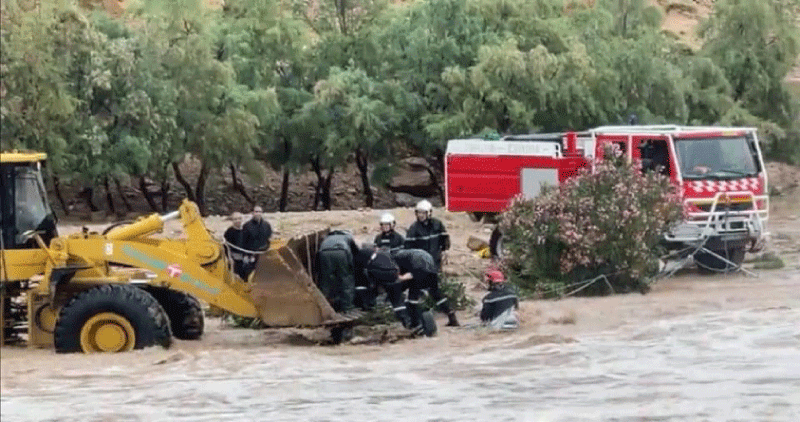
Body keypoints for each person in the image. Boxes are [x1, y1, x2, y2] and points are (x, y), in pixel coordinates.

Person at [392, 248, 460, 331]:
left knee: (412, 298)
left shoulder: (395, 258)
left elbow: (402, 276)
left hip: (418, 268)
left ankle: (416, 324)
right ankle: (451, 316)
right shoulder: (409, 253)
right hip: (431, 268)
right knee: (435, 292)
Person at [316, 229, 360, 315]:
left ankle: (323, 307)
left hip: (323, 252)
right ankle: (347, 307)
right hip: (341, 251)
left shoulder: (327, 237)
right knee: (346, 278)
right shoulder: (348, 236)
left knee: (325, 280)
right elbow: (356, 252)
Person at [404, 200, 450, 271]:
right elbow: (408, 247)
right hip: (421, 264)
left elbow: (444, 237)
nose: (421, 215)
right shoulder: (414, 228)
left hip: (436, 261)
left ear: (429, 213)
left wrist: (445, 250)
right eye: (419, 212)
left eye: (423, 213)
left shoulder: (437, 224)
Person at [243, 205, 272, 275]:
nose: (258, 213)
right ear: (252, 213)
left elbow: (269, 239)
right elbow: (243, 241)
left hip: (263, 255)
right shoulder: (246, 226)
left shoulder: (267, 225)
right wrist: (245, 256)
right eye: (256, 212)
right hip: (251, 255)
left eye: (260, 212)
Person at [223, 212, 248, 280]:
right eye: (235, 219)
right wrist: (229, 258)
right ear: (232, 221)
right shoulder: (229, 232)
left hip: (245, 258)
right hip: (234, 259)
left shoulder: (245, 231)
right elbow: (226, 246)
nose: (238, 221)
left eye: (239, 219)